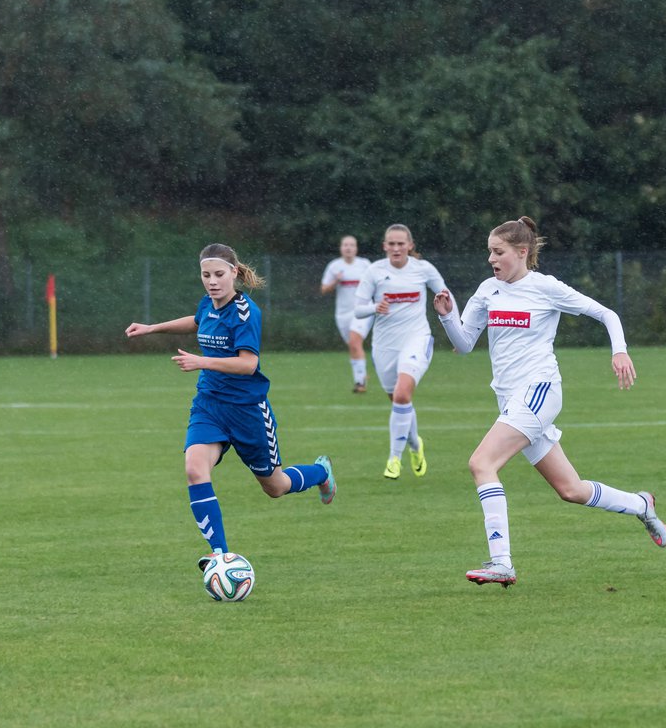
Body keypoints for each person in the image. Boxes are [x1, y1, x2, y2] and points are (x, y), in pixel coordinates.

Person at [433, 216, 666, 587]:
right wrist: (447, 317)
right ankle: (642, 504)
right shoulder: (487, 291)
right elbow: (463, 344)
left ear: (521, 252)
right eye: (489, 253)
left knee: (481, 463)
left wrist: (619, 352)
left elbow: (606, 314)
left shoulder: (545, 288)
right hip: (511, 399)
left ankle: (502, 563)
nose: (491, 260)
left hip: (539, 391)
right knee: (570, 490)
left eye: (499, 252)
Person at [125, 243, 336, 573]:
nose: (212, 282)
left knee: (275, 487)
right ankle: (221, 554)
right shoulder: (208, 305)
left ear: (234, 273)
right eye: (206, 275)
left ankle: (321, 472)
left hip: (247, 410)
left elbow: (248, 364)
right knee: (195, 468)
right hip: (209, 405)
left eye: (219, 275)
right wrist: (153, 328)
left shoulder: (246, 313)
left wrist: (201, 361)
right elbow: (196, 320)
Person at [352, 224, 448, 480]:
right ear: (384, 246)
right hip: (384, 346)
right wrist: (375, 307)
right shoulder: (375, 271)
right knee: (399, 401)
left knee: (403, 393)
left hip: (417, 338)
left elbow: (446, 296)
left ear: (410, 245)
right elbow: (358, 309)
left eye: (400, 244)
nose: (396, 248)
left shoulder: (423, 269)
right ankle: (415, 444)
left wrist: (456, 328)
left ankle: (394, 458)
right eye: (391, 244)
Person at [319, 234, 373, 393]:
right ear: (341, 248)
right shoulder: (334, 266)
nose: (348, 248)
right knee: (353, 346)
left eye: (351, 245)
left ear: (356, 248)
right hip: (342, 313)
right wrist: (336, 281)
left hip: (362, 311)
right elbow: (323, 289)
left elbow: (376, 285)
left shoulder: (365, 265)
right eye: (345, 245)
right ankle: (361, 373)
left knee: (355, 343)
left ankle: (360, 383)